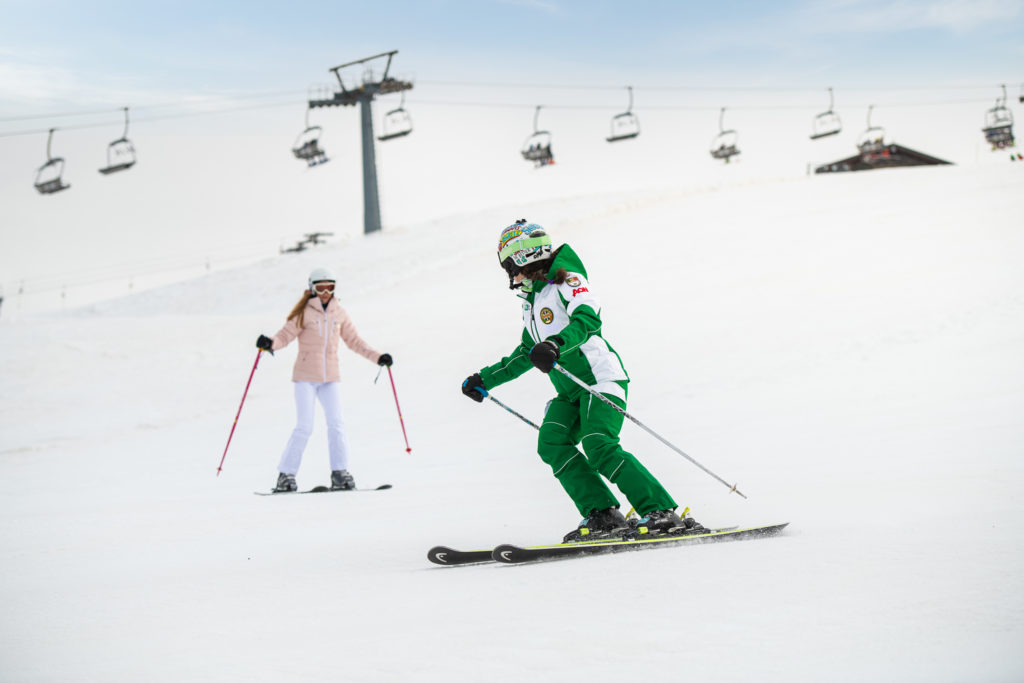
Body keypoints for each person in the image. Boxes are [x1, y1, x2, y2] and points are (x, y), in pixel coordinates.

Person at [460, 220, 704, 542]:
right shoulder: (532, 301)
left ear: (522, 258)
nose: (510, 275)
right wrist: (485, 379)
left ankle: (660, 510)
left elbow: (588, 319)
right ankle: (602, 513)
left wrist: (556, 344)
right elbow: (526, 353)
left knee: (598, 444)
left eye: (509, 266)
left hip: (600, 379)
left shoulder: (568, 281)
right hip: (569, 392)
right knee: (551, 442)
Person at [256, 267, 392, 493]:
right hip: (305, 378)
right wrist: (270, 343)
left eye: (330, 287)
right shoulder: (304, 313)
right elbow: (284, 336)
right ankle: (286, 476)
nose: (326, 292)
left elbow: (355, 341)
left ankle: (340, 473)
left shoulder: (340, 313)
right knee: (304, 426)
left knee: (337, 425)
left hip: (330, 378)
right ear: (312, 289)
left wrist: (378, 357)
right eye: (321, 288)